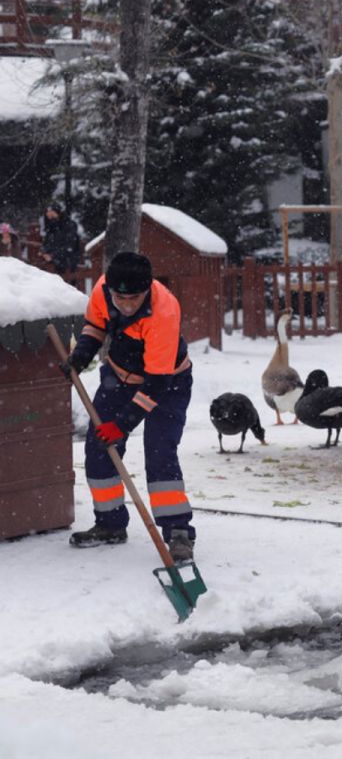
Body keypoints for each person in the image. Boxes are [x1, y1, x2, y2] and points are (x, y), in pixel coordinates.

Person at [62, 252, 196, 563]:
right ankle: (109, 524)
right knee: (98, 447)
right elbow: (95, 325)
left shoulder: (164, 312)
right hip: (117, 376)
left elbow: (155, 385)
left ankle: (178, 532)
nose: (124, 304)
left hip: (168, 384)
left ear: (147, 290)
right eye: (119, 297)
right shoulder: (103, 290)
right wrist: (81, 356)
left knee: (160, 452)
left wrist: (122, 425)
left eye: (133, 298)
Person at [40, 205, 82, 273]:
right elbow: (46, 242)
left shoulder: (69, 225)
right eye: (48, 216)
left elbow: (70, 246)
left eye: (52, 215)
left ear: (58, 213)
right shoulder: (51, 227)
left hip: (67, 260)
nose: (50, 218)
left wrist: (53, 255)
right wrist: (44, 252)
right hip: (54, 260)